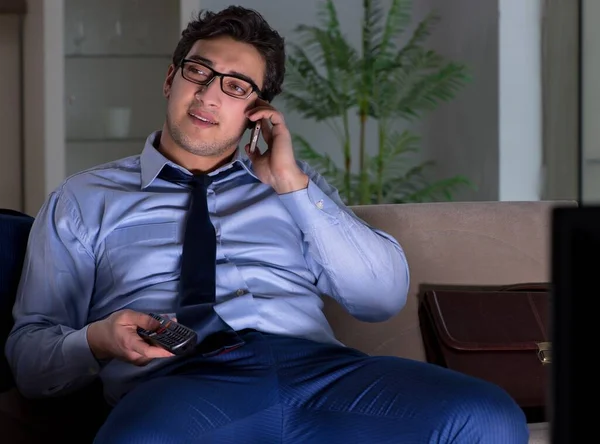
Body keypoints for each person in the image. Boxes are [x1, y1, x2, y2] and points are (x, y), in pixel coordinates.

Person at [5, 6, 529, 443]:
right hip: (182, 383)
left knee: (486, 416)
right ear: (170, 79)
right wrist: (96, 340)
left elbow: (380, 298)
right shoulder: (82, 199)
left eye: (235, 87)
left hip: (321, 374)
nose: (209, 95)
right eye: (198, 73)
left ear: (257, 111)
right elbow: (29, 359)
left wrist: (291, 184)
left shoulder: (296, 187)